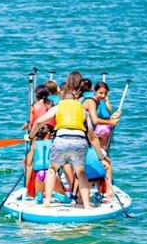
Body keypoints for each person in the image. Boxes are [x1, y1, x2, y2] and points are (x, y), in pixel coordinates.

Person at [31, 72, 99, 207]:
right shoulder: (83, 110)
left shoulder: (58, 106)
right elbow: (91, 134)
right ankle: (86, 204)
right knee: (80, 171)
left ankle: (47, 202)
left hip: (61, 140)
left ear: (63, 99)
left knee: (52, 169)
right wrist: (99, 154)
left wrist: (31, 135)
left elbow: (39, 121)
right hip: (80, 141)